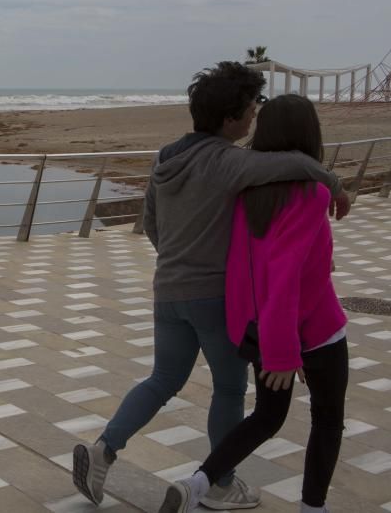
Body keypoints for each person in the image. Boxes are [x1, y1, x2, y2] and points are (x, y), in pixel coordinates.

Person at [72, 62, 350, 509]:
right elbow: (295, 162)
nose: (253, 119)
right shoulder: (229, 161)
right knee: (228, 389)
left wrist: (178, 260)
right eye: (249, 111)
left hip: (168, 289)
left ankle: (104, 448)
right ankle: (220, 485)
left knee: (163, 378)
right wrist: (334, 184)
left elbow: (151, 224)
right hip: (215, 296)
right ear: (229, 119)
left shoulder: (164, 157)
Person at [159, 95, 348, 513]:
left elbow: (254, 268)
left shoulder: (247, 195)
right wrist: (284, 351)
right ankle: (312, 508)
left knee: (266, 418)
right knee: (328, 420)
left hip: (261, 330)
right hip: (311, 331)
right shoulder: (311, 194)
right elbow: (283, 274)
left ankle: (197, 483)